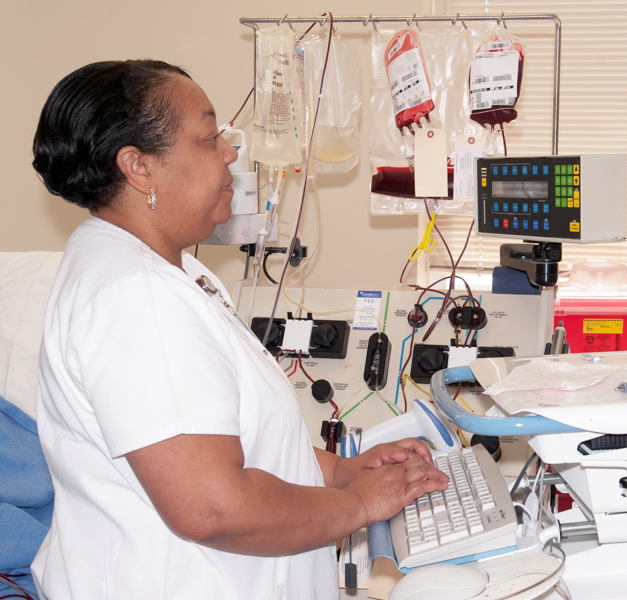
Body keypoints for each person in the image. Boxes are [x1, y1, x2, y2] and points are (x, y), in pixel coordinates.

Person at [30, 60, 449, 600]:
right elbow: (212, 506)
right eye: (209, 138)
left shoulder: (173, 273)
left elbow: (237, 445)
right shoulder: (136, 296)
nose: (231, 152)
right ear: (138, 167)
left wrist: (343, 471)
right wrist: (362, 505)